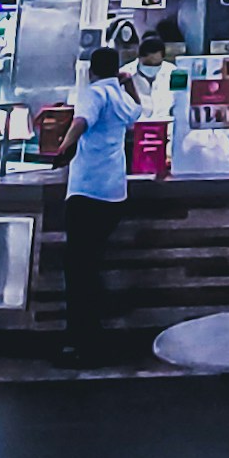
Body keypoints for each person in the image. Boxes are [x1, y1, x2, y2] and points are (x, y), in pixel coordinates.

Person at [57, 46, 139, 366]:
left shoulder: (93, 93)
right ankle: (93, 337)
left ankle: (82, 343)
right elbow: (138, 111)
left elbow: (80, 121)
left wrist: (64, 147)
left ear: (91, 70)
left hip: (87, 191)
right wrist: (127, 82)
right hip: (114, 192)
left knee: (78, 270)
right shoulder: (119, 96)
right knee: (89, 266)